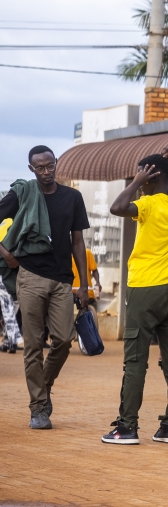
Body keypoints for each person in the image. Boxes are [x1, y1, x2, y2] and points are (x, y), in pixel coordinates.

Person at [101, 148, 168, 445]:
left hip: (144, 290)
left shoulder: (148, 203)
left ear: (150, 176)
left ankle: (126, 428)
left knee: (135, 362)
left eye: (142, 174)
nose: (140, 181)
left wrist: (135, 181)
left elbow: (117, 207)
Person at [0, 146, 90, 430]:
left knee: (64, 340)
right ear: (31, 169)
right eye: (40, 167)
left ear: (55, 164)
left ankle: (44, 385)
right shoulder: (23, 193)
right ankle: (38, 408)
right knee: (34, 345)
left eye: (50, 165)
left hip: (63, 278)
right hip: (30, 275)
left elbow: (77, 242)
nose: (46, 171)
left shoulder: (72, 197)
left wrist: (84, 285)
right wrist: (5, 252)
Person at [0, 217, 22, 353]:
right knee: (13, 303)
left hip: (8, 267)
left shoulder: (6, 221)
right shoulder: (16, 222)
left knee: (10, 305)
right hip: (8, 266)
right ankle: (9, 339)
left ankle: (8, 340)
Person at [71, 247, 100, 311]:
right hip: (71, 294)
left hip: (87, 293)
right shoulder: (65, 256)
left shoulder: (87, 252)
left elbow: (94, 270)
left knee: (91, 314)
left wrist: (97, 283)